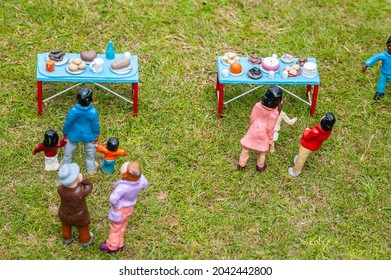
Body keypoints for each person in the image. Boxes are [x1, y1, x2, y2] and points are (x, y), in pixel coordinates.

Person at [99, 161, 148, 254]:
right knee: (123, 225)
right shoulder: (140, 180)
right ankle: (120, 243)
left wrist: (116, 206)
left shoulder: (123, 187)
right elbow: (145, 183)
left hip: (121, 209)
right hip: (130, 207)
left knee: (115, 228)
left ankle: (112, 246)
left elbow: (113, 199)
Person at [238, 86, 283, 172]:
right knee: (262, 152)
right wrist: (270, 138)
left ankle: (241, 164)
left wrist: (252, 126)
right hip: (264, 133)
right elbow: (270, 127)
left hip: (254, 129)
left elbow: (252, 118)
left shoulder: (257, 105)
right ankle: (260, 166)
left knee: (246, 149)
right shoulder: (274, 113)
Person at [62, 86, 100, 174]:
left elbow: (68, 123)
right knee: (90, 152)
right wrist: (96, 135)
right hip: (89, 135)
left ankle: (65, 166)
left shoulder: (73, 111)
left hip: (73, 134)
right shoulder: (93, 112)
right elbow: (95, 125)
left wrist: (65, 132)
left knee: (68, 151)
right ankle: (91, 168)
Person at [288, 112, 336, 177]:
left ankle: (296, 171)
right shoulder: (327, 132)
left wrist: (306, 130)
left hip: (307, 146)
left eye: (323, 117)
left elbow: (306, 136)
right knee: (302, 155)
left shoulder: (315, 131)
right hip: (314, 146)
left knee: (302, 157)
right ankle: (297, 160)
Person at [57, 163, 94, 247]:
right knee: (83, 228)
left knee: (65, 226)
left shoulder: (60, 189)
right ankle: (85, 240)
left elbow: (70, 187)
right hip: (79, 216)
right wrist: (83, 179)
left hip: (64, 214)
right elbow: (89, 186)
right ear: (75, 178)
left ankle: (67, 238)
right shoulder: (80, 192)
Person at [362, 35, 391, 100]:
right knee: (381, 83)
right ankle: (380, 93)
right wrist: (366, 64)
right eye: (389, 46)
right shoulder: (384, 55)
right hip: (384, 73)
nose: (390, 48)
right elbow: (374, 58)